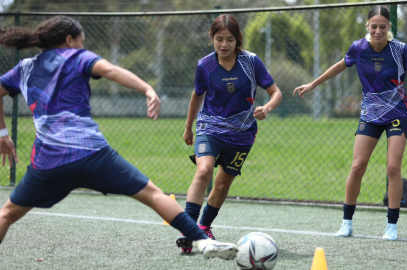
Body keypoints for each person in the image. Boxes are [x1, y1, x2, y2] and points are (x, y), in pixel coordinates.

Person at [0, 15, 238, 260]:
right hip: (91, 154)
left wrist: (3, 134)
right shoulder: (78, 57)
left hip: (48, 162)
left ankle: (200, 240)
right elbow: (111, 71)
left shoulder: (25, 68)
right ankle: (202, 241)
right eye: (81, 41)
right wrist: (147, 89)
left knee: (6, 213)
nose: (83, 46)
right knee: (153, 195)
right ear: (69, 40)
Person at [293, 5, 407, 241]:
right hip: (370, 114)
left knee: (393, 168)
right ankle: (346, 223)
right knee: (357, 167)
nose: (378, 31)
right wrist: (312, 84)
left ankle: (392, 226)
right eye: (374, 26)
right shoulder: (358, 48)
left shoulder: (400, 50)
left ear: (389, 28)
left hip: (398, 112)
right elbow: (339, 65)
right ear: (368, 26)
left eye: (382, 27)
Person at [178, 14, 282, 252]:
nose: (224, 44)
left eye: (229, 39)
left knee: (223, 184)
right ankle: (188, 229)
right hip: (209, 127)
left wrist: (267, 107)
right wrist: (188, 126)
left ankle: (204, 227)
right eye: (219, 39)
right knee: (204, 170)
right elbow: (197, 95)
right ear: (212, 39)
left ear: (238, 40)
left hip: (243, 133)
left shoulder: (251, 62)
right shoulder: (204, 65)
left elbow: (276, 93)